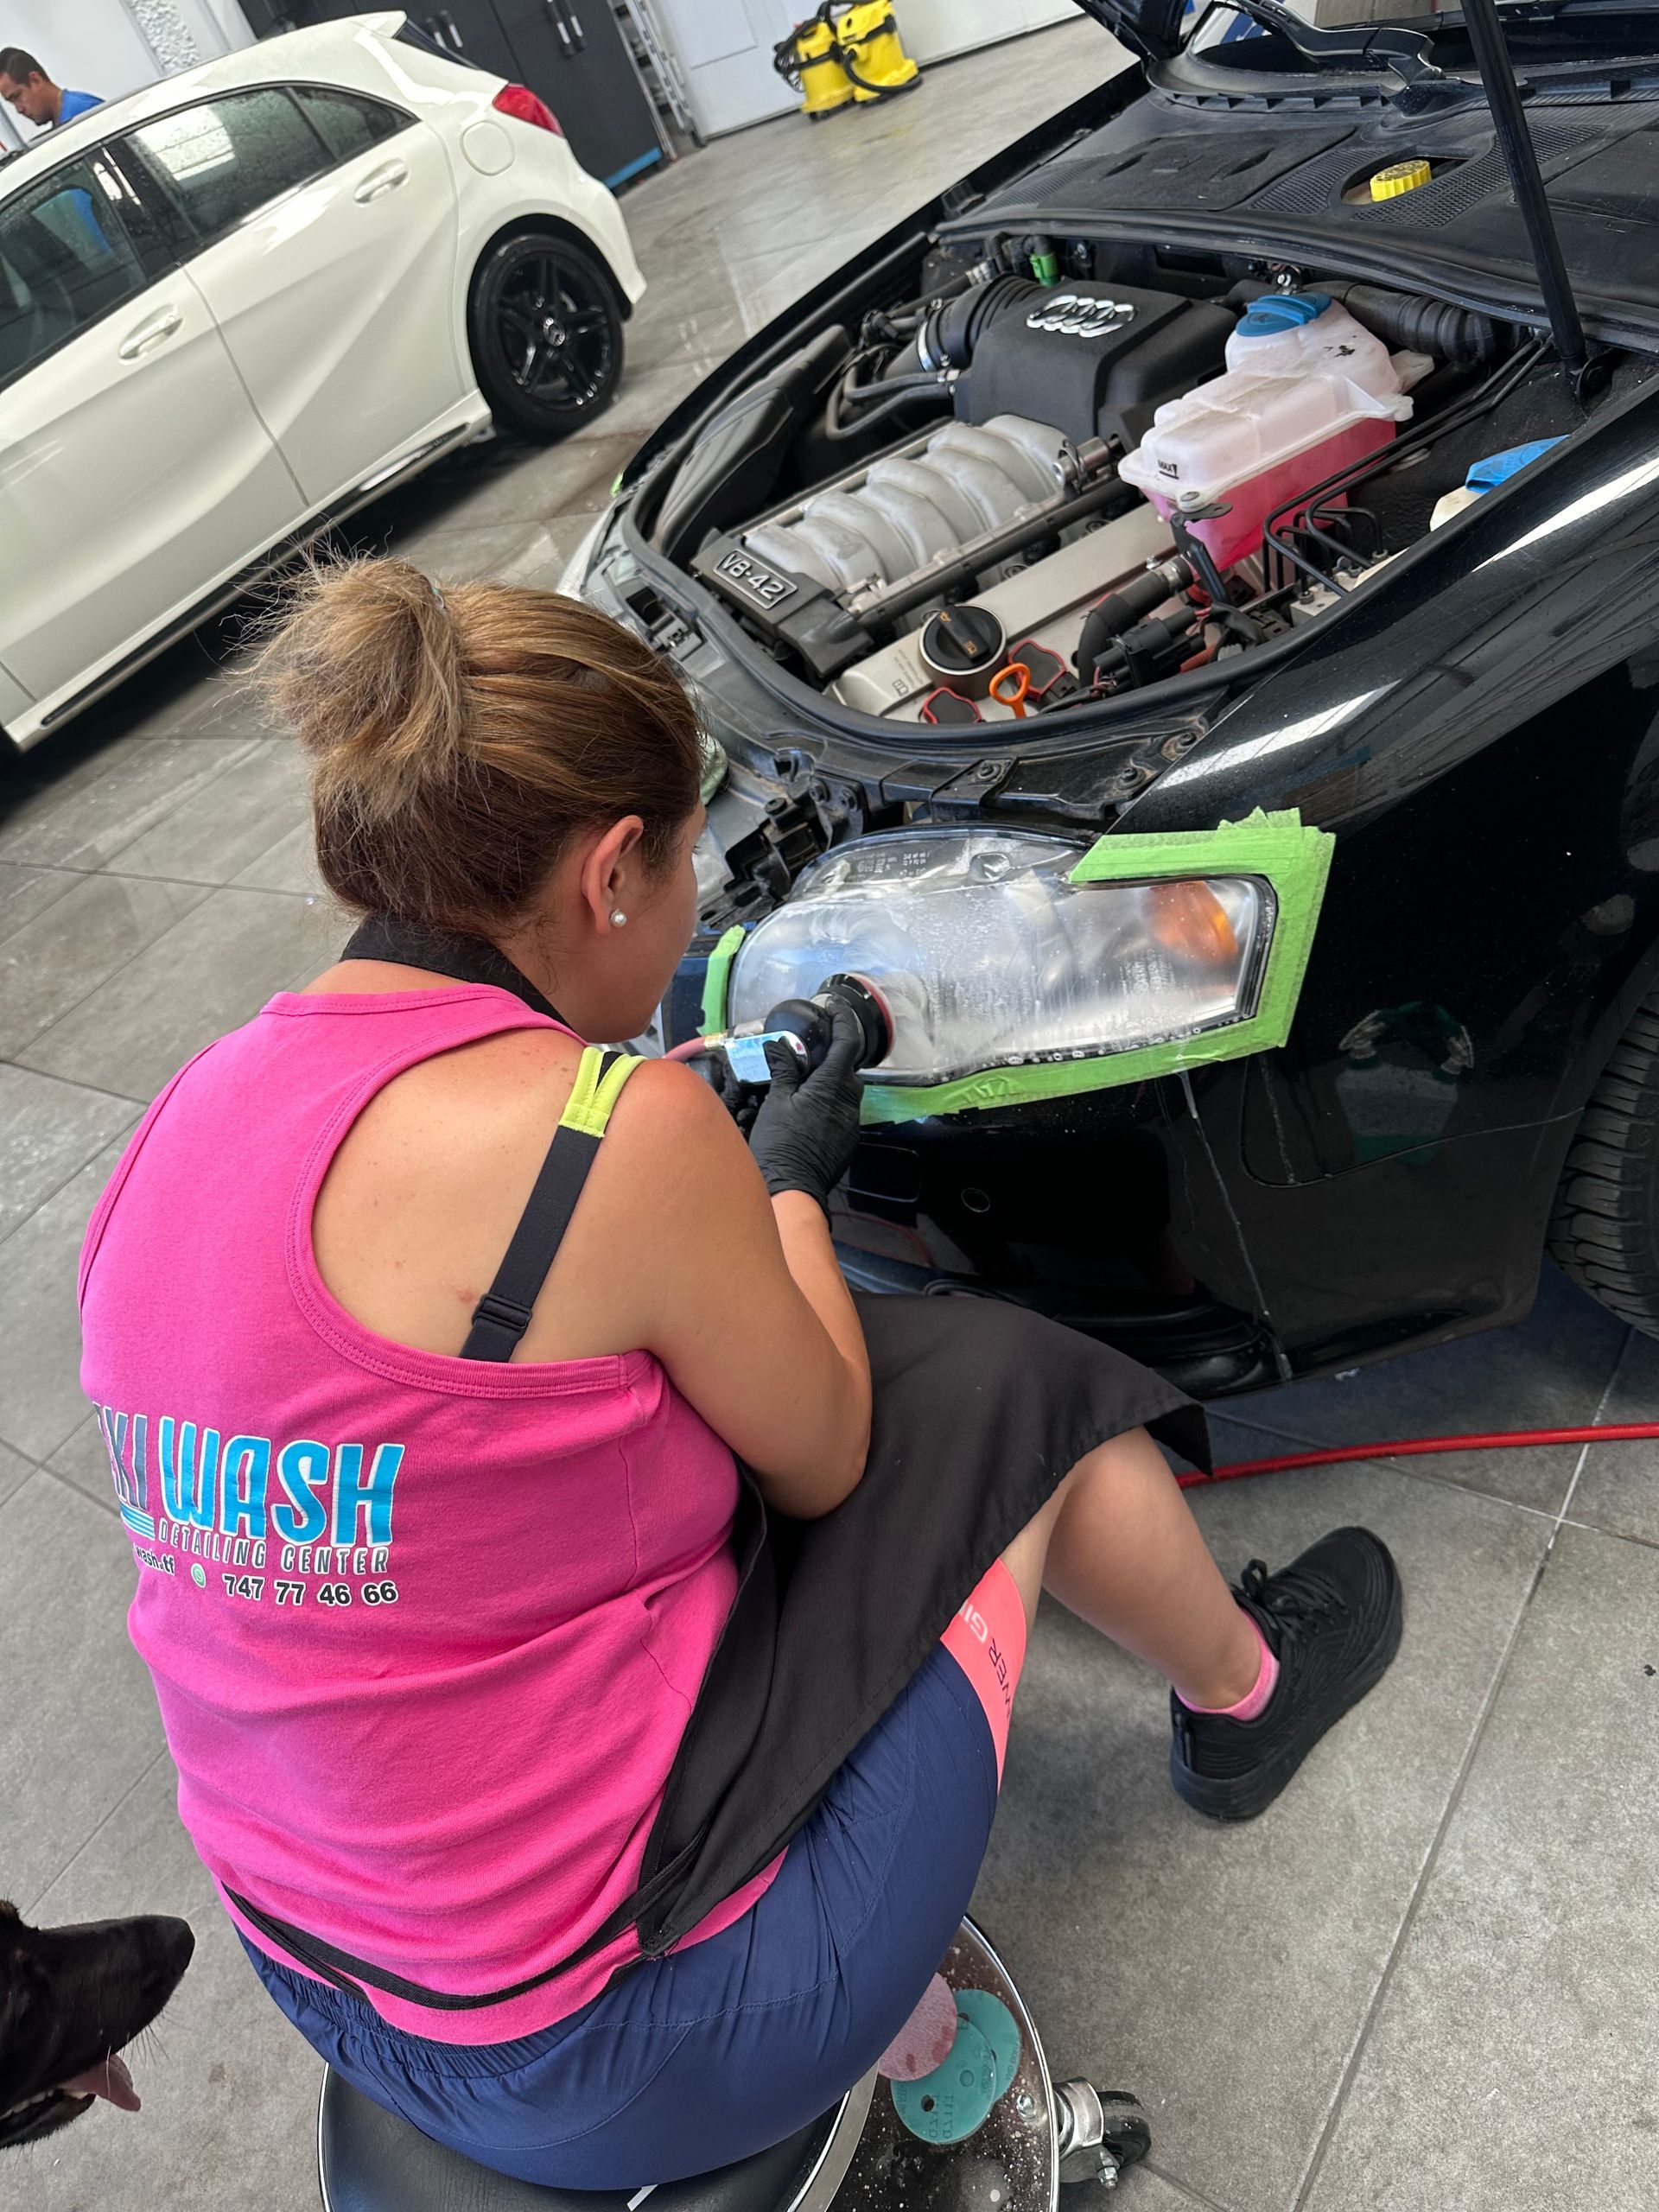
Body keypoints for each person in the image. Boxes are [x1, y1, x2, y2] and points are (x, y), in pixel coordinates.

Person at [78, 560, 1402, 2190]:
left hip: (329, 1976)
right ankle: (1247, 1698)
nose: (696, 903)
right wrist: (784, 1178)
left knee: (815, 1413)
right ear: (612, 872)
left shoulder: (178, 1126)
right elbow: (828, 1452)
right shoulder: (605, 1136)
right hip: (632, 2035)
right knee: (1013, 1392)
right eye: (689, 861)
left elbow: (442, 1442)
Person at [0, 49, 100, 132]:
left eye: (17, 97)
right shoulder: (68, 118)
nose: (19, 110)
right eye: (11, 102)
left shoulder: (82, 114)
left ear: (36, 80)